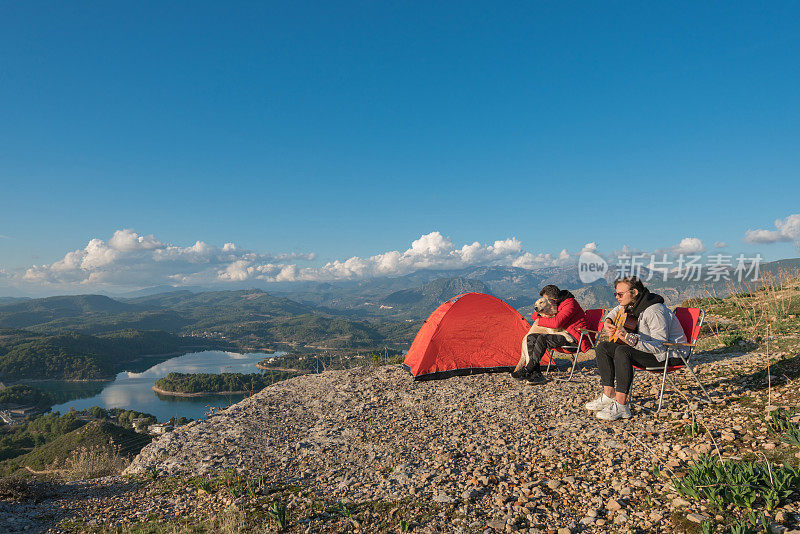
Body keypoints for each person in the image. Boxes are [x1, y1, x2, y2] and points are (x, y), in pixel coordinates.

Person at [585, 276, 687, 421]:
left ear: (634, 292)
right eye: (616, 294)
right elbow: (616, 309)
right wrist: (608, 321)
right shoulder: (635, 303)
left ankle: (621, 405)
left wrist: (631, 341)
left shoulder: (654, 311)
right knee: (603, 346)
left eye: (620, 294)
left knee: (623, 350)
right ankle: (609, 394)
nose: (617, 298)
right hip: (650, 350)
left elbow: (660, 346)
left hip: (669, 355)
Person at [512, 285, 589, 384]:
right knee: (531, 337)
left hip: (575, 338)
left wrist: (540, 320)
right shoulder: (556, 304)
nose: (544, 302)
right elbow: (534, 315)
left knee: (542, 338)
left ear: (552, 299)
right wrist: (541, 313)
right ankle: (536, 375)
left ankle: (528, 369)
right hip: (563, 335)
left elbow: (556, 323)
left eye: (545, 300)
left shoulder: (570, 304)